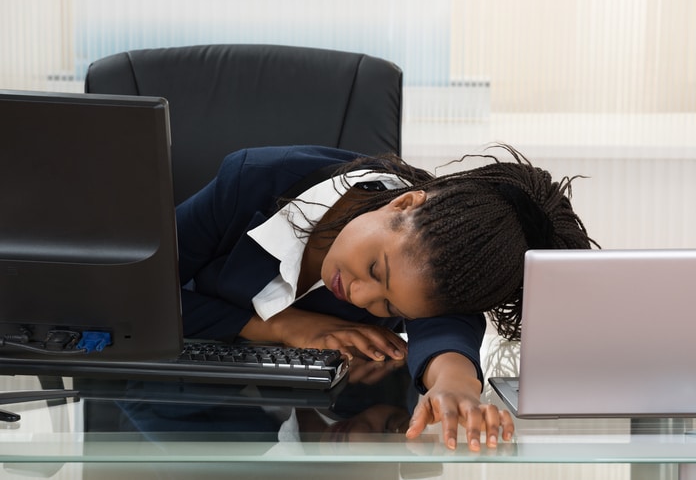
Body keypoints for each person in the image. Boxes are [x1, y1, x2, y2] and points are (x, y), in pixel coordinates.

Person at [175, 143, 596, 451]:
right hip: (174, 398)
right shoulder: (252, 180)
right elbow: (137, 293)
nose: (360, 296)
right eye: (377, 269)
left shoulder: (429, 270)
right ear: (403, 204)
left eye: (389, 307)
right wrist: (286, 326)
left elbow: (445, 327)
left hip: (286, 425)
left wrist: (455, 386)